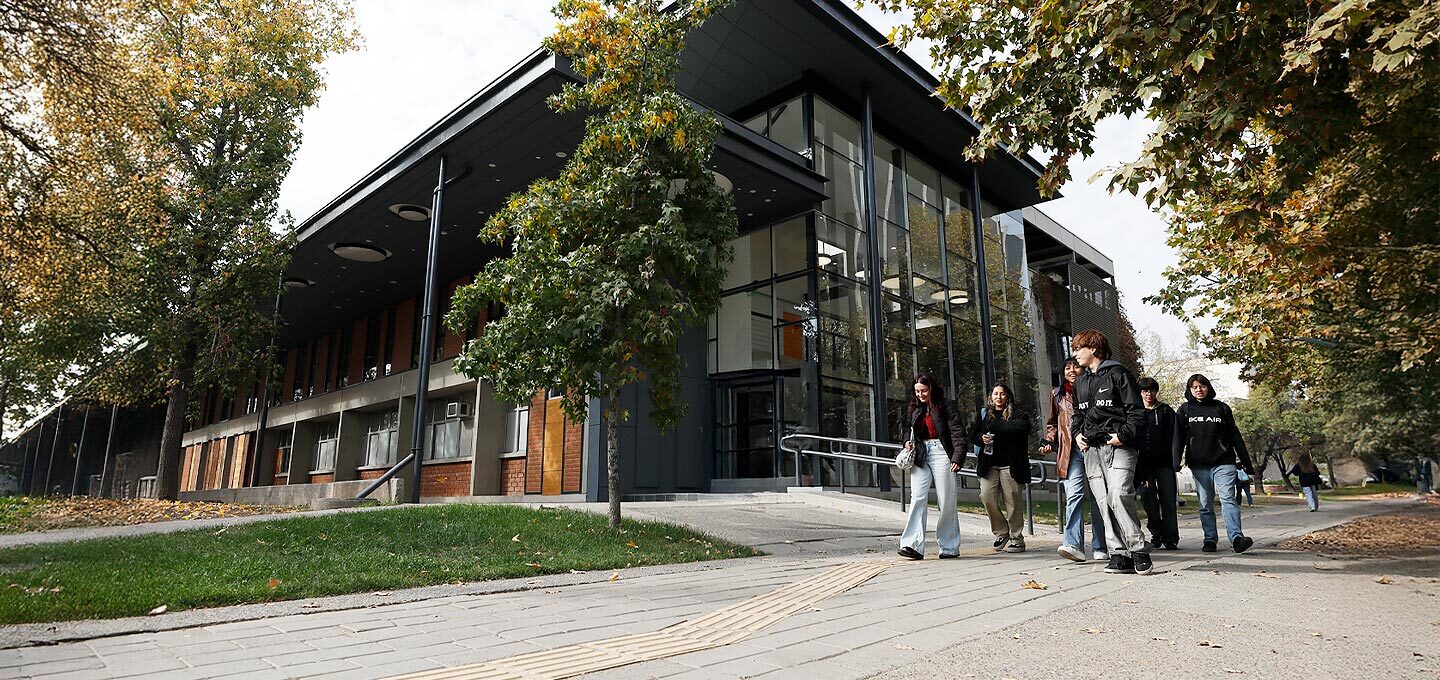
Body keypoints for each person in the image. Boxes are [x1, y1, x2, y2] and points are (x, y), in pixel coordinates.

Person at [1070, 330, 1153, 576]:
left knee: (1119, 494)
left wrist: (1123, 436)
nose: (1074, 354)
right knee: (1103, 502)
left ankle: (1139, 549)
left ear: (1093, 349)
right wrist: (1077, 435)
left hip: (1119, 447)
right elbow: (1077, 415)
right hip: (1091, 451)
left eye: (1078, 349)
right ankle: (1119, 554)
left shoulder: (1119, 374)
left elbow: (1137, 412)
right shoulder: (1081, 382)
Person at [1174, 373, 1257, 553]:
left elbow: (1235, 436)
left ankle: (1236, 538)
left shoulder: (1221, 408)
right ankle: (1210, 539)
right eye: (1194, 387)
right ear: (1189, 390)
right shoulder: (1185, 410)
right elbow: (1178, 438)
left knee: (1228, 499)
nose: (1199, 389)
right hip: (1198, 464)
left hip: (1224, 462)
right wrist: (1176, 461)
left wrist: (1246, 463)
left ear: (1208, 387)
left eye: (1202, 386)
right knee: (1205, 504)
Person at [1040, 357, 1109, 562]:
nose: (1071, 370)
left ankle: (1100, 545)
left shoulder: (1094, 386)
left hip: (1092, 446)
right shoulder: (1057, 394)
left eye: (1075, 366)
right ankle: (1073, 544)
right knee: (1074, 496)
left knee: (1098, 498)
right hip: (1070, 452)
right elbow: (1053, 424)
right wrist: (1049, 441)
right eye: (1067, 367)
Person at [897, 373, 967, 559]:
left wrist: (957, 458)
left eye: (924, 391)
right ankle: (911, 545)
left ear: (932, 389)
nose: (920, 394)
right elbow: (906, 428)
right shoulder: (913, 407)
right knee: (917, 497)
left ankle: (949, 546)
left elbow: (957, 432)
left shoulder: (946, 405)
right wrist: (906, 442)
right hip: (921, 453)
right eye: (917, 391)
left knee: (946, 501)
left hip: (942, 452)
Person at [972, 383, 1033, 553]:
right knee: (986, 496)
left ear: (1008, 396)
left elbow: (1020, 427)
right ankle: (1001, 531)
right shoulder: (985, 414)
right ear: (991, 396)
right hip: (989, 465)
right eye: (995, 394)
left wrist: (996, 427)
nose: (999, 397)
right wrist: (981, 438)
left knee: (1013, 502)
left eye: (1002, 394)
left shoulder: (1018, 413)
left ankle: (1017, 538)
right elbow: (973, 435)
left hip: (1010, 465)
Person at [1136, 377, 1180, 550]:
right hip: (1143, 466)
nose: (1149, 394)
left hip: (1164, 464)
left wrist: (1175, 461)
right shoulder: (1135, 412)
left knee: (1168, 500)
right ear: (1140, 393)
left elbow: (1175, 438)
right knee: (1148, 500)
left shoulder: (1166, 411)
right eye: (1145, 391)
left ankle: (1171, 537)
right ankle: (1156, 533)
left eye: (1152, 390)